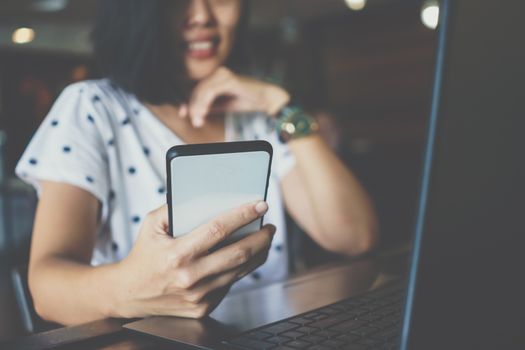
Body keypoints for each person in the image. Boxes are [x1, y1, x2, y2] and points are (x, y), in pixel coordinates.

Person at [15, 0, 378, 326]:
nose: (202, 15)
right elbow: (46, 290)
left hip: (267, 331)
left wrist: (280, 104)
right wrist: (135, 288)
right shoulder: (92, 106)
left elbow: (353, 237)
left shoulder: (257, 115)